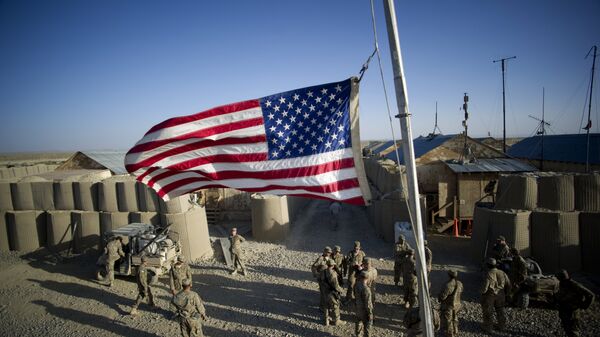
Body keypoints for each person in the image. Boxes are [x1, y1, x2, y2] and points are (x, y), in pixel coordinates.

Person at [554, 269, 595, 337]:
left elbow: (590, 295)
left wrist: (584, 305)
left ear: (562, 277)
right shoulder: (562, 284)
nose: (557, 279)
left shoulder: (574, 285)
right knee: (567, 330)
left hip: (572, 313)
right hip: (565, 312)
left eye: (558, 277)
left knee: (573, 332)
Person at [479, 257, 511, 333]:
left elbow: (485, 287)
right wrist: (507, 293)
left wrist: (481, 293)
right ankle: (502, 326)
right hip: (501, 294)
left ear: (488, 265)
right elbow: (509, 284)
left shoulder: (489, 273)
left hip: (490, 295)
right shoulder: (502, 272)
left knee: (488, 311)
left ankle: (488, 327)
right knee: (500, 310)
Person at [438, 270, 463, 337]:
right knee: (455, 319)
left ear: (449, 275)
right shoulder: (460, 283)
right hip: (457, 305)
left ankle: (450, 334)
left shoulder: (447, 285)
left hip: (449, 306)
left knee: (448, 321)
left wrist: (439, 298)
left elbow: (442, 297)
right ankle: (455, 331)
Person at [323, 259, 345, 326]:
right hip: (332, 293)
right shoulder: (333, 274)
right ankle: (337, 321)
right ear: (333, 265)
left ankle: (326, 321)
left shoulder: (323, 271)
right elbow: (336, 286)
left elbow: (320, 279)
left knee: (326, 306)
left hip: (325, 291)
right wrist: (342, 290)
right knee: (335, 306)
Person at [354, 271, 372, 337]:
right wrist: (370, 313)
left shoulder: (356, 285)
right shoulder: (366, 289)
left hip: (358, 307)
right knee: (367, 325)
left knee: (358, 322)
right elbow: (368, 304)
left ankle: (357, 335)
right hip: (364, 310)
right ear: (367, 278)